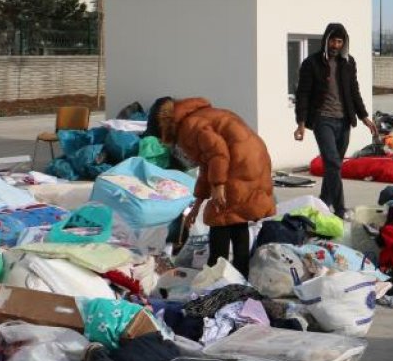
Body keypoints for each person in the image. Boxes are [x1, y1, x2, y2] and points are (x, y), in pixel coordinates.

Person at [156, 97, 275, 276]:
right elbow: (208, 164)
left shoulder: (189, 126)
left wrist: (218, 185)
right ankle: (241, 272)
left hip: (239, 161)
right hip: (253, 158)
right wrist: (197, 205)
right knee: (237, 216)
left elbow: (217, 153)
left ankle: (216, 270)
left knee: (219, 216)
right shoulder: (200, 116)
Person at [293, 23, 377, 218]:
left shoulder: (348, 63)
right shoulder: (311, 63)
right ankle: (340, 209)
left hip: (344, 121)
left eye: (340, 41)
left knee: (334, 166)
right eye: (333, 40)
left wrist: (364, 117)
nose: (335, 45)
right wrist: (301, 122)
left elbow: (354, 91)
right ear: (326, 40)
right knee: (332, 163)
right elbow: (303, 94)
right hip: (323, 120)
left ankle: (323, 202)